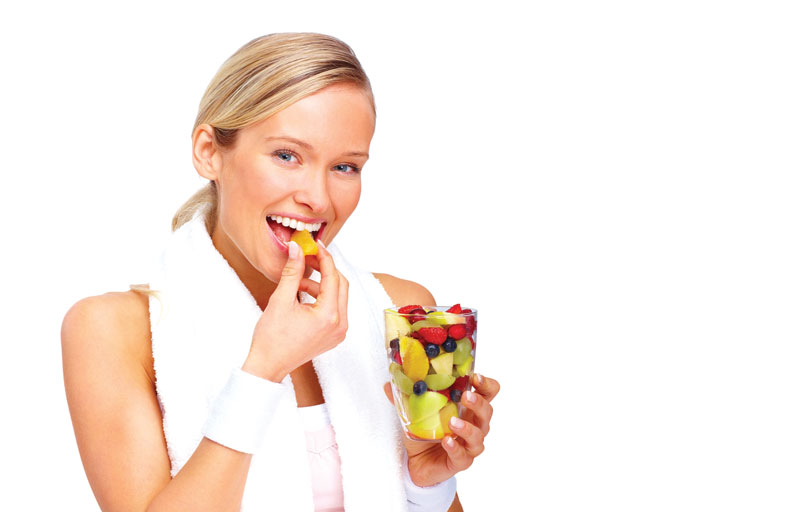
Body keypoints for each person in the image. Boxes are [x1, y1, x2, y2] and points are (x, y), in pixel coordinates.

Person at [61, 32, 500, 512]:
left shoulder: (398, 312)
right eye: (287, 156)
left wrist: (426, 487)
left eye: (346, 167)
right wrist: (263, 369)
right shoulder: (112, 331)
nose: (318, 198)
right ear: (209, 152)